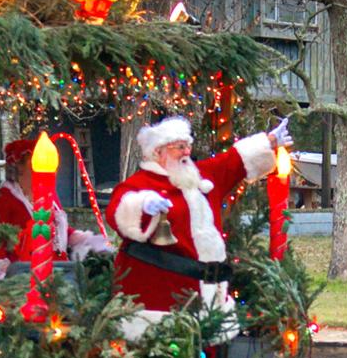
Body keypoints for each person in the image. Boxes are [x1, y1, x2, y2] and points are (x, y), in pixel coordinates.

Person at [105, 116, 292, 338]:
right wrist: (143, 204)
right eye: (179, 147)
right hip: (159, 299)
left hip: (209, 298)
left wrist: (268, 141)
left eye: (188, 146)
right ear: (158, 153)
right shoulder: (140, 183)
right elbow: (117, 210)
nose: (186, 152)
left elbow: (232, 161)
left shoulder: (200, 176)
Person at [0, 138, 112, 280]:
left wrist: (89, 242)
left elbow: (61, 230)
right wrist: (3, 276)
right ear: (18, 166)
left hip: (60, 272)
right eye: (34, 164)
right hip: (25, 276)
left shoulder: (48, 193)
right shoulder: (4, 197)